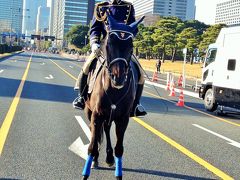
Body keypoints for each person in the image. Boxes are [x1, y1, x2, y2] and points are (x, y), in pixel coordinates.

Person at [73, 0, 147, 117]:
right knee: (87, 66)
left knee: (141, 74)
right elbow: (95, 28)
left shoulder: (128, 6)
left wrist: (128, 34)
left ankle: (136, 105)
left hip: (122, 45)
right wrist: (94, 43)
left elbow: (134, 27)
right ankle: (81, 97)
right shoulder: (100, 6)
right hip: (105, 45)